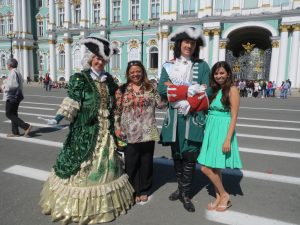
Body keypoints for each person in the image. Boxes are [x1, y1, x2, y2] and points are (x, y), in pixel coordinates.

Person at [39, 37, 134, 224]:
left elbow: (117, 103)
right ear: (90, 58)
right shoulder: (80, 78)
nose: (99, 62)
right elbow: (73, 101)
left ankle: (103, 206)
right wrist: (57, 117)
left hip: (105, 131)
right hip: (84, 131)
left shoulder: (110, 82)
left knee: (106, 167)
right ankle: (78, 208)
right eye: (96, 58)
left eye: (103, 60)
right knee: (80, 166)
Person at [157, 26, 210, 212]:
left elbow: (207, 90)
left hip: (194, 117)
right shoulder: (168, 65)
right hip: (174, 120)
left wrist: (191, 103)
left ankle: (186, 194)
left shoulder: (203, 66)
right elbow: (162, 89)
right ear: (179, 44)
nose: (189, 45)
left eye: (192, 43)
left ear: (196, 46)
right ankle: (181, 189)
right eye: (186, 42)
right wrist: (187, 90)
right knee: (177, 156)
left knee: (189, 156)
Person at [114, 60, 165, 203]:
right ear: (128, 74)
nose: (135, 74)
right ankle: (133, 190)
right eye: (132, 72)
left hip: (148, 131)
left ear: (142, 72)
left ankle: (145, 189)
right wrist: (117, 128)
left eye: (138, 71)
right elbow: (117, 111)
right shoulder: (122, 89)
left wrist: (171, 91)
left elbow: (161, 104)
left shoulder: (151, 88)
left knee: (146, 162)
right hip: (129, 132)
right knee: (131, 163)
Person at [197, 61, 242, 212]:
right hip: (212, 128)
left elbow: (234, 115)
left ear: (228, 74)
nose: (219, 76)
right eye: (216, 73)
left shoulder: (233, 89)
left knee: (205, 168)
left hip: (222, 129)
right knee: (215, 167)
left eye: (222, 73)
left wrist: (228, 139)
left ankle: (224, 195)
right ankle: (218, 198)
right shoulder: (215, 90)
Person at [2, 58, 32, 137]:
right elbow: (18, 83)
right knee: (14, 114)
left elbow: (12, 86)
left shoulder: (12, 73)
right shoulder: (17, 72)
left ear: (10, 65)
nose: (7, 65)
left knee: (9, 114)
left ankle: (26, 126)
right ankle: (15, 132)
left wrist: (3, 88)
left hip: (12, 96)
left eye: (7, 64)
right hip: (17, 96)